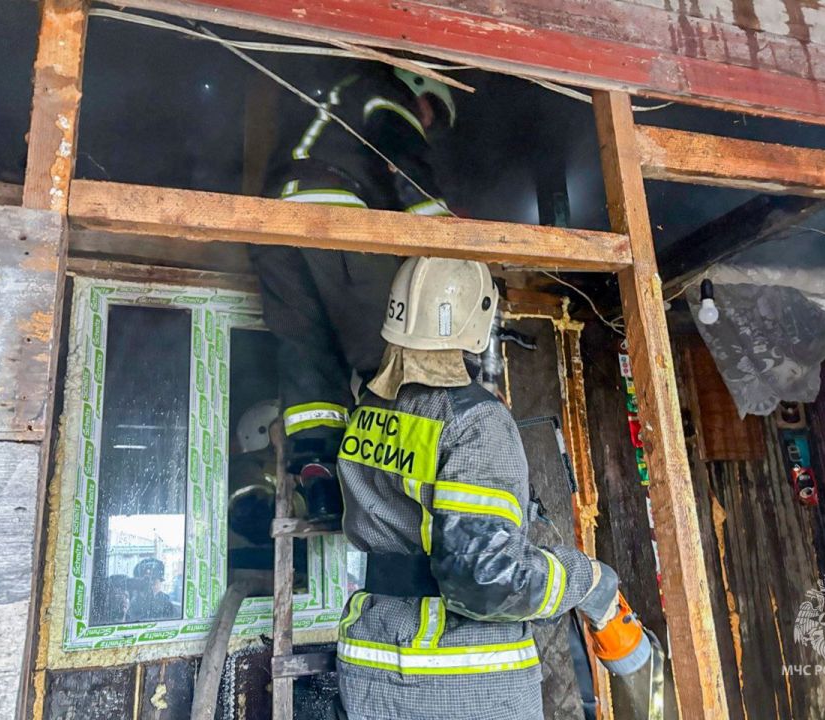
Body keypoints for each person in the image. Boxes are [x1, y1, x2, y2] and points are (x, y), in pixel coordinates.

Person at [335, 258, 650, 720]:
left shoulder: (370, 411)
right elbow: (486, 578)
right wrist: (588, 580)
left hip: (371, 662)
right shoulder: (474, 420)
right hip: (460, 677)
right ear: (476, 320)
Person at [250, 64, 457, 520]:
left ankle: (320, 476)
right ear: (420, 88)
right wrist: (444, 236)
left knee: (309, 353)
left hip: (270, 220)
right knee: (387, 348)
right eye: (430, 113)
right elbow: (405, 155)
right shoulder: (384, 89)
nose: (425, 123)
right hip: (331, 209)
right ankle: (405, 477)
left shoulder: (327, 100)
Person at [127, 558, 177, 622]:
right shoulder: (129, 602)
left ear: (160, 581)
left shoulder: (167, 606)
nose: (148, 585)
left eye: (153, 580)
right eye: (145, 581)